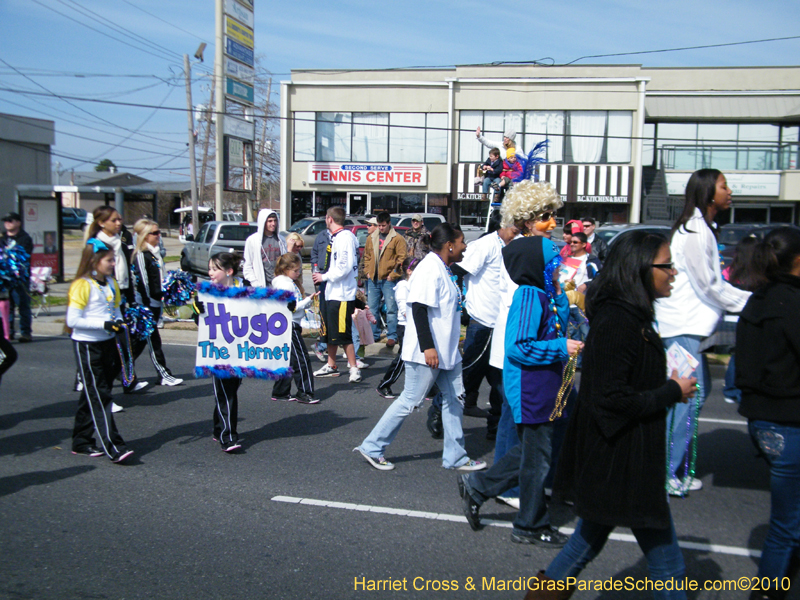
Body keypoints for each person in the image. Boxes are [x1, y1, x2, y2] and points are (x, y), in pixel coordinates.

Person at [523, 230, 697, 600]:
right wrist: (671, 391)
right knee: (667, 564)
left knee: (585, 542)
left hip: (620, 457)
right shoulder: (619, 321)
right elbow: (610, 399)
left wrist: (664, 382)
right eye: (666, 265)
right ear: (639, 269)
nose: (674, 272)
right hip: (621, 459)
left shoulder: (630, 315)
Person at [458, 232, 581, 548]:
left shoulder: (543, 293)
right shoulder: (528, 296)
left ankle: (478, 486)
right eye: (553, 262)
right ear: (537, 265)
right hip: (530, 388)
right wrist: (561, 347)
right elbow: (519, 347)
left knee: (531, 453)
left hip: (545, 385)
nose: (559, 267)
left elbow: (555, 325)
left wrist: (559, 294)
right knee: (537, 460)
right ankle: (529, 525)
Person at [354, 223, 486, 473]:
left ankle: (456, 456)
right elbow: (419, 308)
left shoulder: (444, 269)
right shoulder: (429, 268)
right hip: (427, 353)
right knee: (410, 400)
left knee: (455, 399)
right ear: (450, 245)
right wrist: (428, 348)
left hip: (447, 352)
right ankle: (372, 446)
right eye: (461, 242)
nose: (465, 247)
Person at [655, 168, 751, 496]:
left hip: (688, 326)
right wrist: (752, 302)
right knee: (685, 397)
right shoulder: (696, 230)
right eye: (724, 186)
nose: (730, 191)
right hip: (682, 326)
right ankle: (665, 473)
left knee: (694, 393)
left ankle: (668, 466)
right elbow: (709, 284)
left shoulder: (701, 228)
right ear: (709, 193)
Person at [486, 179, 563, 510]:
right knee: (515, 422)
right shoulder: (519, 252)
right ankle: (506, 485)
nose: (553, 223)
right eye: (545, 217)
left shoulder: (540, 249)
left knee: (529, 421)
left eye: (553, 215)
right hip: (519, 345)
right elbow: (521, 301)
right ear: (528, 219)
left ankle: (526, 482)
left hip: (533, 343)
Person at [736, 227, 800, 599]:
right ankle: (767, 590)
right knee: (786, 525)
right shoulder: (790, 303)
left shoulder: (758, 300)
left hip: (761, 419)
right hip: (788, 420)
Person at [67, 238, 136, 463]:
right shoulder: (82, 285)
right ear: (94, 261)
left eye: (113, 260)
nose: (113, 264)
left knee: (93, 392)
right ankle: (114, 446)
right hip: (87, 345)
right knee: (100, 394)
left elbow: (116, 310)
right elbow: (72, 320)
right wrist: (103, 324)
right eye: (109, 260)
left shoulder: (111, 283)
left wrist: (120, 323)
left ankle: (81, 440)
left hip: (108, 343)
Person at [455, 223, 519, 434]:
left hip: (504, 322)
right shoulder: (485, 245)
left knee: (500, 377)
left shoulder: (518, 244)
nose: (518, 231)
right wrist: (461, 303)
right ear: (504, 223)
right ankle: (439, 410)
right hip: (482, 320)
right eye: (515, 227)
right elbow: (457, 271)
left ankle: (496, 424)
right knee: (469, 372)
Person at [194, 253, 245, 452]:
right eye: (209, 269)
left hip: (240, 349)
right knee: (226, 393)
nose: (210, 273)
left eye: (215, 269)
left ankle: (218, 428)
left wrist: (287, 307)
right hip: (218, 350)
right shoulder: (207, 292)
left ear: (229, 271)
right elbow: (201, 323)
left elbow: (266, 309)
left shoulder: (244, 287)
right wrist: (198, 311)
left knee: (231, 389)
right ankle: (228, 436)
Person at [130, 219, 183, 387]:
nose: (159, 236)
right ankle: (164, 374)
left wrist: (170, 290)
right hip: (146, 306)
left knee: (138, 343)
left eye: (158, 232)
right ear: (145, 236)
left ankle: (120, 370)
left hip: (155, 303)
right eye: (155, 233)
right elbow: (144, 282)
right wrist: (147, 305)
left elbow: (159, 280)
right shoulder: (141, 255)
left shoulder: (155, 254)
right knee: (154, 341)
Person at [311, 206, 362, 383]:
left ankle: (354, 368)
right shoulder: (337, 237)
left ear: (330, 219)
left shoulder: (344, 238)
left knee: (343, 333)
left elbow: (344, 267)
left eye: (326, 218)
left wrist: (323, 276)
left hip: (342, 295)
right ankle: (331, 365)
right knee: (330, 331)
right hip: (332, 293)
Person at [721, 235, 766, 404]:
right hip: (748, 319)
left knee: (735, 355)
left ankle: (730, 389)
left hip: (728, 320)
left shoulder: (729, 271)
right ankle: (741, 390)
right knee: (747, 356)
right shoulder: (759, 274)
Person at [270, 252, 319, 404]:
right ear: (285, 269)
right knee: (301, 359)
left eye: (299, 270)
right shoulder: (285, 284)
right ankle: (304, 392)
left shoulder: (287, 282)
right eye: (295, 270)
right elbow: (290, 307)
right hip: (289, 324)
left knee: (289, 360)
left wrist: (306, 302)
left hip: (287, 323)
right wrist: (307, 301)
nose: (298, 273)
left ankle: (281, 391)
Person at [376, 256, 418, 399]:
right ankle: (384, 385)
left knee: (422, 357)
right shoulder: (403, 286)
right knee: (404, 358)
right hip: (406, 326)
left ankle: (430, 388)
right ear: (409, 271)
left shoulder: (416, 285)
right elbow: (404, 309)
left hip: (415, 326)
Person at [362, 211, 406, 348]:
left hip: (388, 279)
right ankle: (374, 334)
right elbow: (367, 256)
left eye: (383, 225)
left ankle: (392, 336)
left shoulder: (397, 238)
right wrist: (367, 271)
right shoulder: (371, 237)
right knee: (372, 309)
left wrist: (393, 274)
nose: (381, 228)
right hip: (373, 278)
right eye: (379, 225)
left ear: (389, 224)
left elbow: (402, 259)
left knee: (391, 309)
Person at [1, 212, 33, 342]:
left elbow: (22, 257)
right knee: (7, 307)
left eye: (10, 220)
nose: (7, 223)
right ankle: (8, 332)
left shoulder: (25, 238)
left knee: (23, 305)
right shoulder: (2, 238)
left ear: (18, 223)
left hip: (20, 279)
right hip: (4, 279)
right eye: (5, 221)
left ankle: (25, 333)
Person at [242, 209, 286, 287]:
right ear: (263, 222)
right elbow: (248, 265)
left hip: (279, 283)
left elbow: (286, 261)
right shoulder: (253, 240)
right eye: (270, 221)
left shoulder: (281, 240)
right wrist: (255, 283)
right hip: (261, 284)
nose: (273, 224)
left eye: (275, 220)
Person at [310, 224, 332, 362]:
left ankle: (324, 345)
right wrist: (315, 269)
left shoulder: (344, 237)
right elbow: (314, 254)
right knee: (324, 313)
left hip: (335, 280)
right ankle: (322, 345)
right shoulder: (321, 236)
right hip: (321, 278)